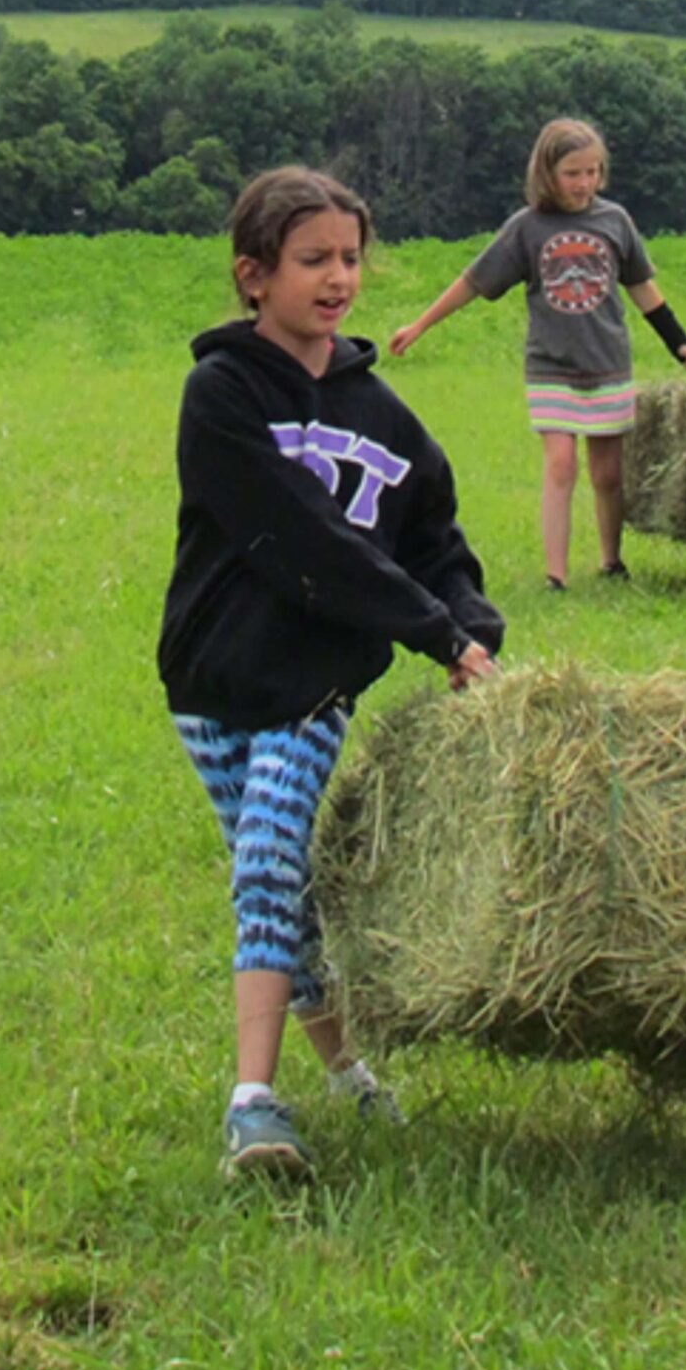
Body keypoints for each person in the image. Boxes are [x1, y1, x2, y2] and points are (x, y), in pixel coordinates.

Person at [161, 166, 506, 1180]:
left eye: (350, 258)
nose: (339, 278)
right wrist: (428, 628)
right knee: (283, 894)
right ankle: (349, 1072)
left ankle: (253, 1106)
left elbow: (435, 541)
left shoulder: (387, 421)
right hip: (208, 680)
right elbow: (294, 535)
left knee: (267, 862)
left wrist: (469, 625)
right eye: (314, 260)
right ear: (253, 274)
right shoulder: (220, 394)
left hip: (312, 685)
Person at [389, 118, 686, 590]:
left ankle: (611, 561)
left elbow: (642, 288)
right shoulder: (527, 228)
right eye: (573, 173)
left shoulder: (614, 221)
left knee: (609, 472)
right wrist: (420, 325)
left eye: (593, 172)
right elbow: (474, 281)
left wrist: (679, 340)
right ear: (546, 173)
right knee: (560, 465)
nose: (584, 183)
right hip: (551, 367)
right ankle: (556, 574)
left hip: (609, 363)